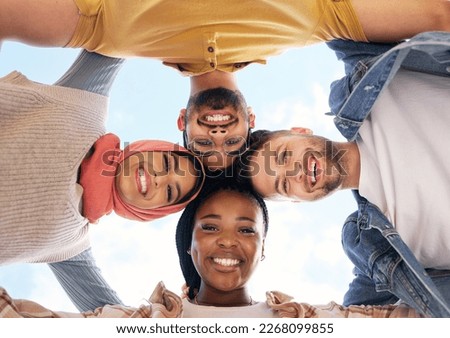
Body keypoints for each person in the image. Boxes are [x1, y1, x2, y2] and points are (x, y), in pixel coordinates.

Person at [1, 0, 449, 170]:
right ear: (250, 120)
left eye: (202, 145)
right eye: (232, 143)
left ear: (183, 121)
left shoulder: (108, 32)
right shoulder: (313, 22)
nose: (217, 137)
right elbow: (437, 16)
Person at [238, 31, 450, 317]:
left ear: (299, 131)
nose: (296, 171)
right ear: (299, 201)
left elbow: (327, 18)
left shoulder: (365, 80)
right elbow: (348, 320)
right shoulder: (374, 248)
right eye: (285, 185)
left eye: (285, 155)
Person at [0, 178, 425, 318]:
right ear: (190, 246)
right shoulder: (135, 323)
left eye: (246, 231)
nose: (227, 241)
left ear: (262, 250)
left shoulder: (315, 321)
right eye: (210, 226)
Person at [0, 50, 205, 311]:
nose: (159, 178)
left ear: (150, 212)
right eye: (166, 163)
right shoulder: (84, 104)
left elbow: (116, 320)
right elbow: (123, 30)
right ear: (148, 147)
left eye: (169, 192)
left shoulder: (70, 244)